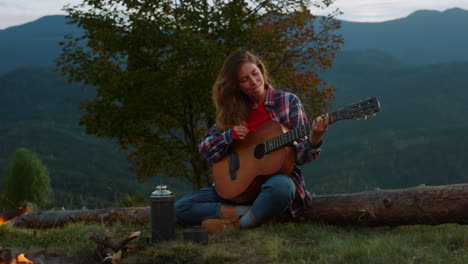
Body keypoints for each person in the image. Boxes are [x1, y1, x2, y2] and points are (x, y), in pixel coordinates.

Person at [175, 50, 329, 232]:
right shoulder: (233, 110)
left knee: (283, 187)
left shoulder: (287, 102)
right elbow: (205, 149)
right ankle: (252, 214)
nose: (253, 82)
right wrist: (228, 136)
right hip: (235, 188)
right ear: (237, 85)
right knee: (180, 208)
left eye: (254, 74)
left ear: (261, 70)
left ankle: (238, 224)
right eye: (244, 80)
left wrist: (314, 140)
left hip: (272, 185)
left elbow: (302, 158)